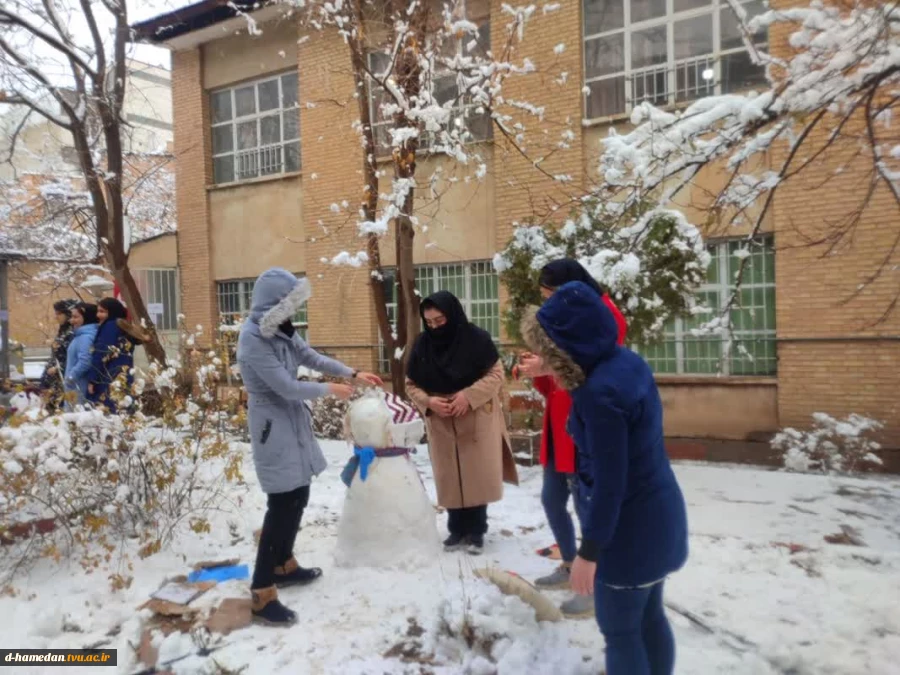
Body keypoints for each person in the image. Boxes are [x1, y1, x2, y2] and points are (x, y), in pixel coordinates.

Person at [521, 280, 688, 675]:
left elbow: (612, 481)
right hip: (660, 514)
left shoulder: (599, 397)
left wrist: (588, 554)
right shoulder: (626, 363)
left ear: (569, 347)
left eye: (550, 351)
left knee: (620, 631)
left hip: (627, 534)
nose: (547, 359)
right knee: (649, 618)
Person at [236, 267, 383, 627]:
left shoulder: (281, 331)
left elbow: (312, 357)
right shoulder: (253, 339)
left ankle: (284, 564)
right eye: (289, 305)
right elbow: (286, 386)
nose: (294, 313)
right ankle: (262, 590)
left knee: (299, 492)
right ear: (274, 305)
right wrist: (328, 390)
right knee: (281, 503)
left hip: (291, 421)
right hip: (272, 423)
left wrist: (351, 372)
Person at [514, 259, 627, 618]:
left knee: (588, 507)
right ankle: (569, 564)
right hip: (558, 423)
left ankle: (597, 583)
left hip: (584, 426)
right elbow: (555, 376)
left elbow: (591, 365)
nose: (548, 302)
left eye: (550, 294)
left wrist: (547, 365)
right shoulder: (564, 317)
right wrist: (537, 368)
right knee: (552, 499)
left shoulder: (606, 314)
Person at [406, 291, 519, 555]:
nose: (434, 327)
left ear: (452, 314)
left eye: (440, 320)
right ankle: (456, 529)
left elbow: (496, 374)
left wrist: (468, 396)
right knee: (450, 474)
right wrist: (429, 402)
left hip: (475, 415)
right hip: (442, 419)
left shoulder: (476, 339)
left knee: (475, 473)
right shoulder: (423, 345)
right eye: (429, 322)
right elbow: (411, 384)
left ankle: (477, 530)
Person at [87, 298, 136, 413]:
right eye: (98, 311)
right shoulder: (123, 326)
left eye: (102, 311)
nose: (98, 315)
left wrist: (92, 380)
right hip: (123, 376)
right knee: (123, 410)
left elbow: (101, 354)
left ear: (112, 311)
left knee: (108, 413)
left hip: (108, 377)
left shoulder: (110, 327)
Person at [40, 299, 77, 412]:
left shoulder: (73, 332)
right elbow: (55, 356)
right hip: (54, 380)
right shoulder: (63, 331)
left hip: (63, 379)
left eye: (59, 314)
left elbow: (73, 357)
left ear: (68, 313)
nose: (56, 317)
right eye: (56, 314)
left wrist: (58, 367)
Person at [63, 303, 99, 409]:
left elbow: (85, 361)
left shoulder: (86, 338)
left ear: (87, 318)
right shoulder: (80, 336)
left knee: (76, 419)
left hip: (78, 388)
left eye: (75, 317)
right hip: (75, 387)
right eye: (71, 317)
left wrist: (71, 377)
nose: (71, 320)